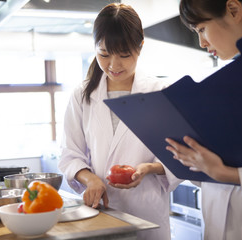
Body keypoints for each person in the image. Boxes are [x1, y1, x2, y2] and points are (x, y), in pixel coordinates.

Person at [59, 3, 181, 239]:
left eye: (124, 55)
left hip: (148, 214)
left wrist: (148, 169)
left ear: (140, 47)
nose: (113, 66)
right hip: (99, 214)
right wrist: (91, 178)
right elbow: (70, 155)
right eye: (104, 54)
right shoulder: (82, 95)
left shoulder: (160, 92)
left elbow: (176, 155)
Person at [165, 0, 242, 239]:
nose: (202, 43)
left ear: (233, 10)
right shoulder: (225, 83)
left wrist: (227, 174)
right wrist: (196, 161)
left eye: (202, 29)